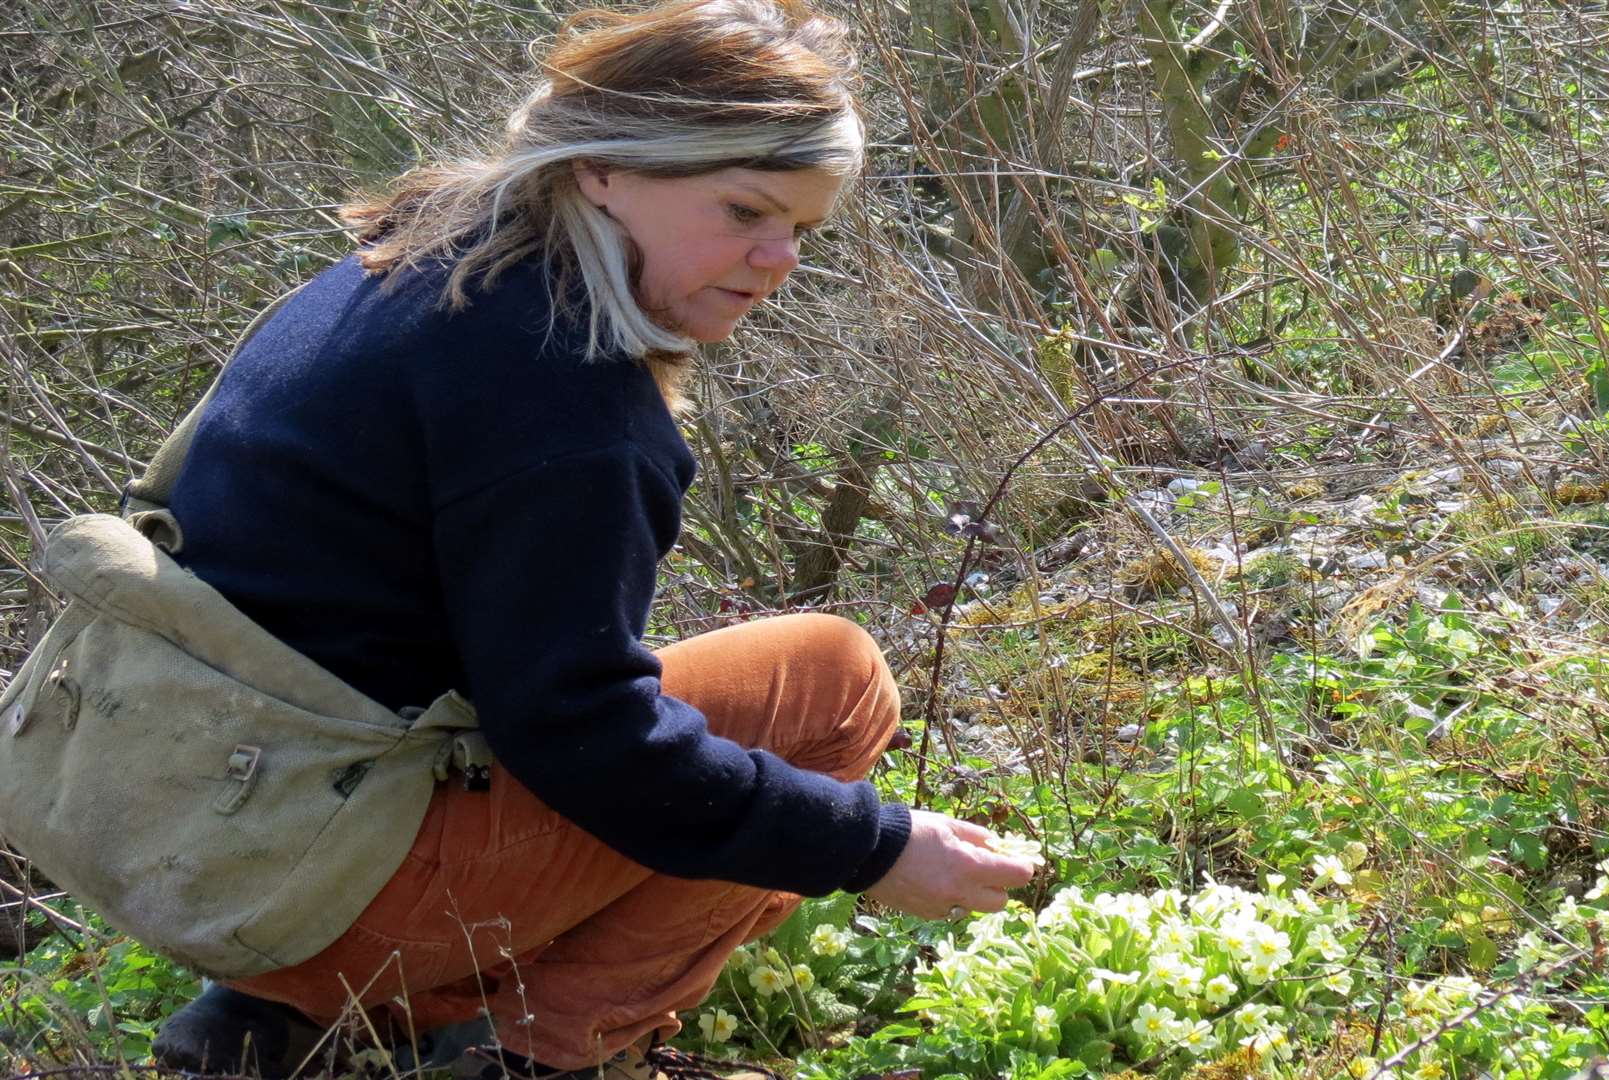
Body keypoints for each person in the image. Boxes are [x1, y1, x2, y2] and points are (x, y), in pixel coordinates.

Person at [145, 1, 1036, 1076]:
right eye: (746, 208)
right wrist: (877, 844)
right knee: (829, 683)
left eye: (801, 227)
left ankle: (278, 1021)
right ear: (605, 169)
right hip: (324, 890)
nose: (777, 258)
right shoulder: (563, 396)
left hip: (185, 832)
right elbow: (581, 734)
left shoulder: (411, 264)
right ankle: (541, 1052)